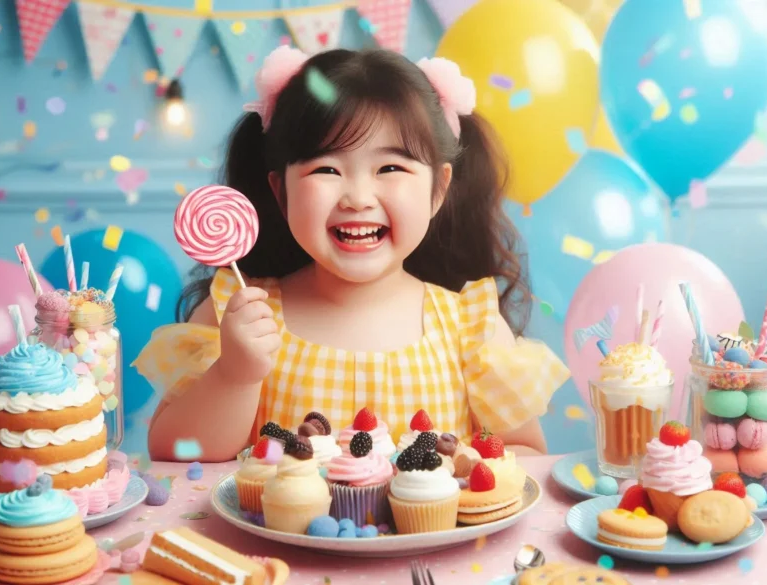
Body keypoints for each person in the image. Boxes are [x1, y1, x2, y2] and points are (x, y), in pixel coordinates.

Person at [134, 46, 570, 462]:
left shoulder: (471, 327)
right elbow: (176, 452)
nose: (358, 198)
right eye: (327, 169)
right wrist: (234, 374)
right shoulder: (239, 311)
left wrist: (465, 472)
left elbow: (528, 457)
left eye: (391, 168)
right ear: (280, 191)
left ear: (439, 189)